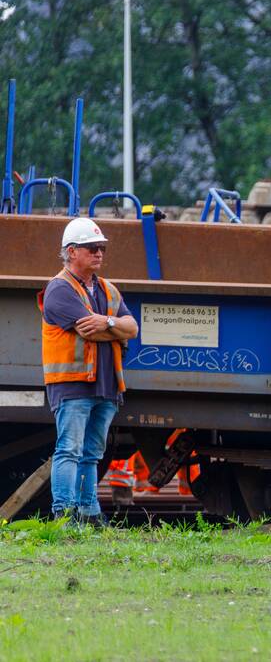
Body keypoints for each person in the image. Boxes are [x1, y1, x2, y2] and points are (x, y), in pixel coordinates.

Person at [39, 217, 138, 525]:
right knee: (69, 449)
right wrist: (114, 327)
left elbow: (132, 328)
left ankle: (89, 512)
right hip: (73, 385)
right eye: (92, 248)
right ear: (71, 252)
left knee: (92, 454)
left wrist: (107, 322)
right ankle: (64, 514)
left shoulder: (107, 290)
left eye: (102, 248)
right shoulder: (59, 290)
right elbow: (88, 332)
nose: (99, 254)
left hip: (106, 385)